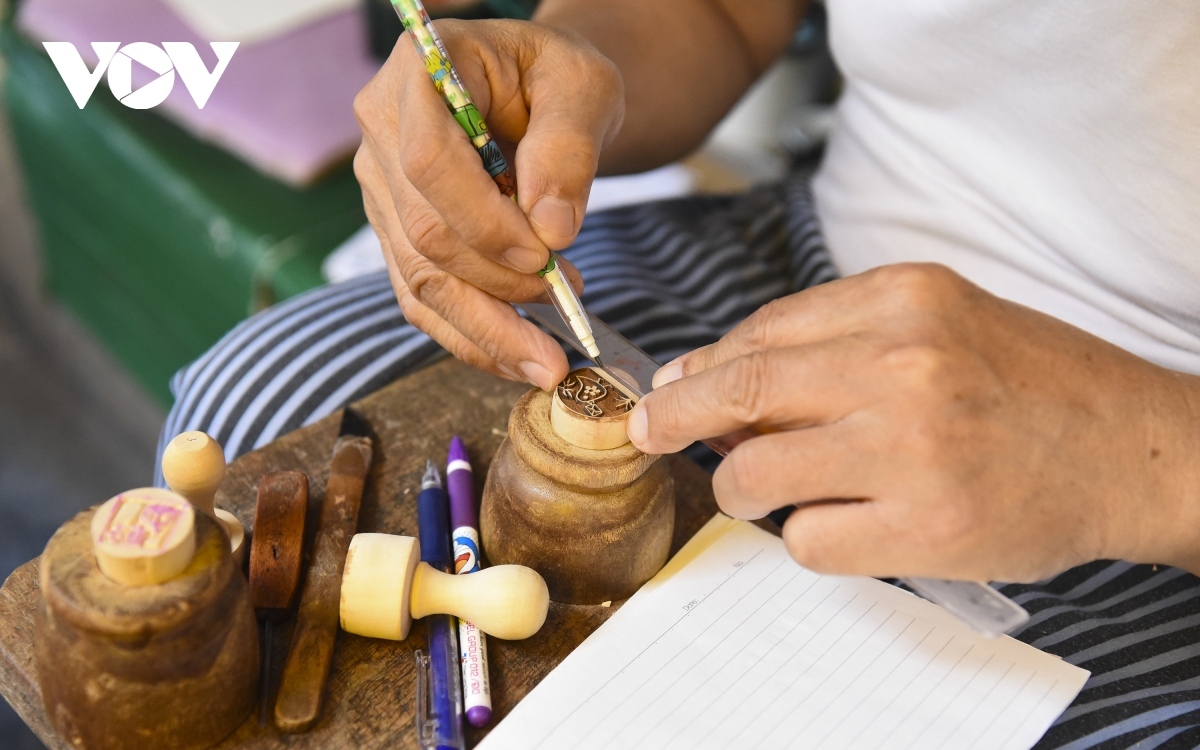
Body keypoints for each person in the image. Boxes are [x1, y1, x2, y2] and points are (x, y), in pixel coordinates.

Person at [161, 0, 1200, 745]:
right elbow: (724, 11)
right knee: (266, 408)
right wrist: (572, 64)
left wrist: (1150, 465)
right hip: (803, 266)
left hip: (1151, 489)